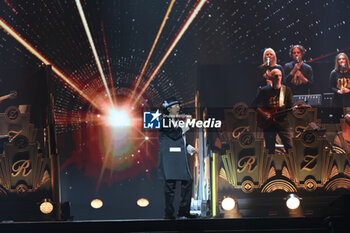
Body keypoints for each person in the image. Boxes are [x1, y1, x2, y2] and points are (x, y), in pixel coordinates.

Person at [157, 97, 198, 219]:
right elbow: (175, 135)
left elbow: (179, 140)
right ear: (169, 109)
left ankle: (183, 211)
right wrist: (187, 124)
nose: (179, 107)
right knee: (170, 186)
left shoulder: (176, 121)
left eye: (178, 105)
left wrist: (190, 148)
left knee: (188, 181)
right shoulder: (165, 121)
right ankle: (169, 213)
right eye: (176, 106)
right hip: (169, 159)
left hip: (178, 158)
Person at [253, 68, 293, 154]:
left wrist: (296, 109)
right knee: (269, 149)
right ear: (271, 77)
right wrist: (263, 114)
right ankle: (270, 166)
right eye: (276, 76)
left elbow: (290, 107)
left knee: (290, 147)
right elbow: (253, 105)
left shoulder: (286, 90)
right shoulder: (264, 90)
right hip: (269, 124)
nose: (278, 78)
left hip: (283, 123)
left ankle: (291, 165)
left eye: (280, 76)